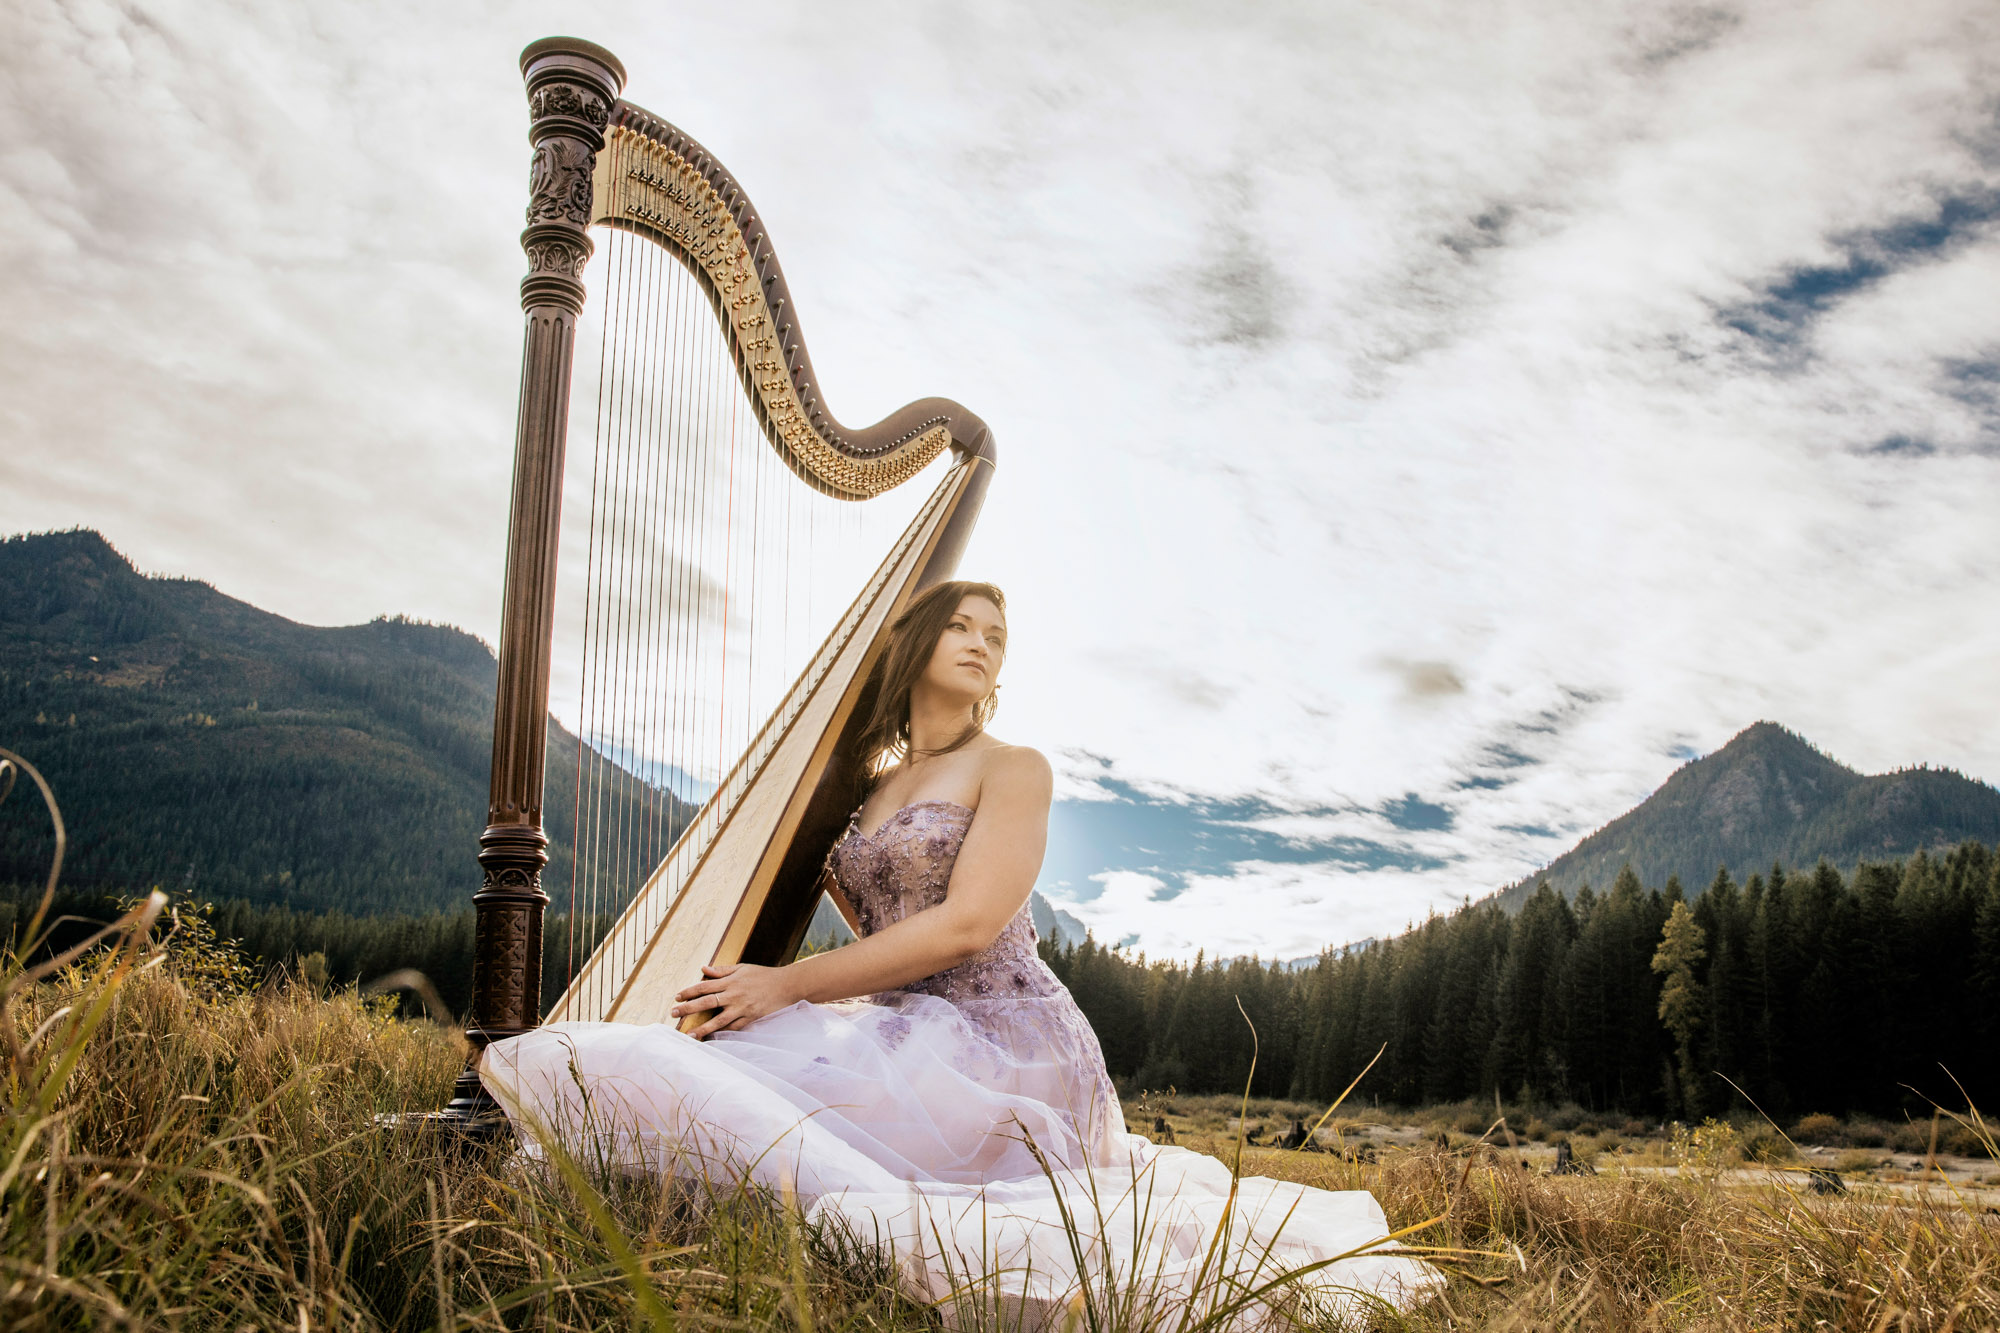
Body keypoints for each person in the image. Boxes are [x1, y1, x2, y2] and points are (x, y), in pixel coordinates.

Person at [480, 581, 1440, 1325]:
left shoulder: (1014, 768)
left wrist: (785, 984)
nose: (986, 646)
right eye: (966, 627)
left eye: (999, 638)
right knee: (717, 1069)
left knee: (773, 1106)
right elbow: (881, 939)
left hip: (1005, 1036)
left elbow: (966, 927)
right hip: (908, 1022)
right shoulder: (853, 789)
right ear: (914, 641)